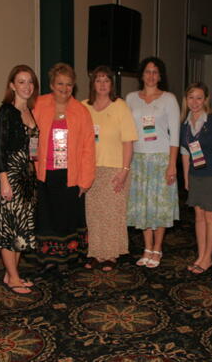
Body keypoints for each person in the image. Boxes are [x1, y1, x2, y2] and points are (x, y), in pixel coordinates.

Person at [33, 63, 95, 272]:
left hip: (71, 174)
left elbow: (88, 147)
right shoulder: (39, 105)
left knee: (67, 217)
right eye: (60, 83)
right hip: (44, 173)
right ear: (51, 84)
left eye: (69, 84)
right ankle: (49, 259)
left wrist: (85, 180)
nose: (64, 88)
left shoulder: (81, 111)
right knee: (47, 217)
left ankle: (67, 259)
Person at [82, 66, 138, 271]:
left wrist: (124, 170)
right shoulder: (84, 107)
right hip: (91, 168)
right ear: (92, 84)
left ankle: (111, 255)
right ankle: (96, 252)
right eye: (98, 80)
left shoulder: (120, 106)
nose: (102, 84)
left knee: (113, 213)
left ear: (112, 84)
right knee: (94, 213)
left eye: (106, 80)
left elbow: (128, 142)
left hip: (116, 168)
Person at [0, 65, 39, 294]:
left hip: (27, 177)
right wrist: (4, 180)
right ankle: (15, 277)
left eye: (30, 82)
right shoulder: (6, 112)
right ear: (12, 85)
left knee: (21, 226)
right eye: (21, 81)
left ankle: (11, 275)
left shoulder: (30, 111)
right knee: (9, 228)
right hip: (10, 175)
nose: (26, 86)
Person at [126, 57, 180, 268]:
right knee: (142, 205)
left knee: (159, 206)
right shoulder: (131, 98)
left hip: (161, 158)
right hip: (138, 159)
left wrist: (172, 164)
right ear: (141, 75)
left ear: (160, 76)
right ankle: (147, 248)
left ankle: (158, 248)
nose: (151, 76)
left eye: (155, 72)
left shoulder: (169, 99)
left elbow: (175, 135)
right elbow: (127, 132)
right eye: (147, 71)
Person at [180, 82, 212, 274]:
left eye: (199, 98)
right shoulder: (185, 124)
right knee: (198, 217)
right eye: (191, 97)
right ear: (186, 100)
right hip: (195, 175)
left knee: (211, 218)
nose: (195, 102)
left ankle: (208, 258)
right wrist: (186, 178)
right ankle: (201, 254)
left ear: (205, 100)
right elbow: (185, 152)